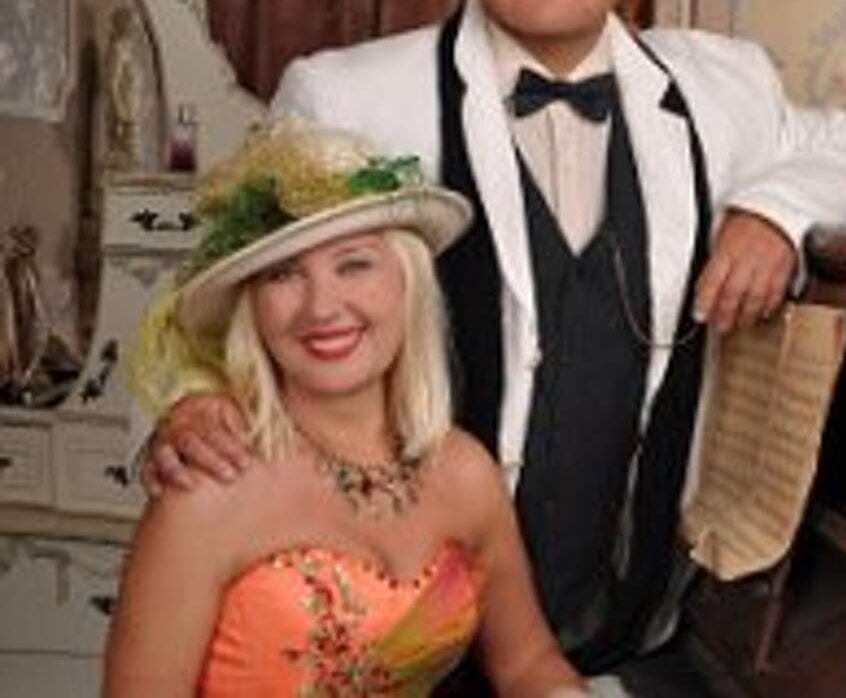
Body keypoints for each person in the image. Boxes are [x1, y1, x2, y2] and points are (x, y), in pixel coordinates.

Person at [135, 0, 846, 690]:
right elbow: (235, 275)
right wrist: (191, 400)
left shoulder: (719, 86)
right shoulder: (347, 94)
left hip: (630, 625)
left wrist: (776, 212)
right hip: (412, 640)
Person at [106, 118, 619, 697]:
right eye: (283, 274)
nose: (322, 308)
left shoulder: (465, 472)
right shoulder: (209, 489)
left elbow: (526, 662)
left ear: (408, 282)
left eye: (354, 264)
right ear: (253, 308)